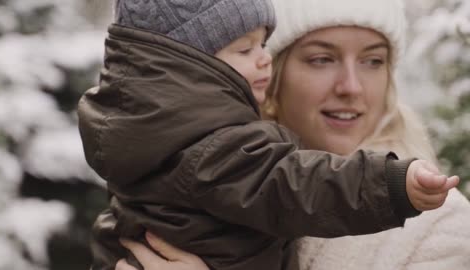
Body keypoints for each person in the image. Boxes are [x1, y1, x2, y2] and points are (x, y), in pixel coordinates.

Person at [78, 0, 460, 270]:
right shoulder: (222, 155)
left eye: (373, 61)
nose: (351, 86)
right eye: (321, 59)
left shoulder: (441, 228)